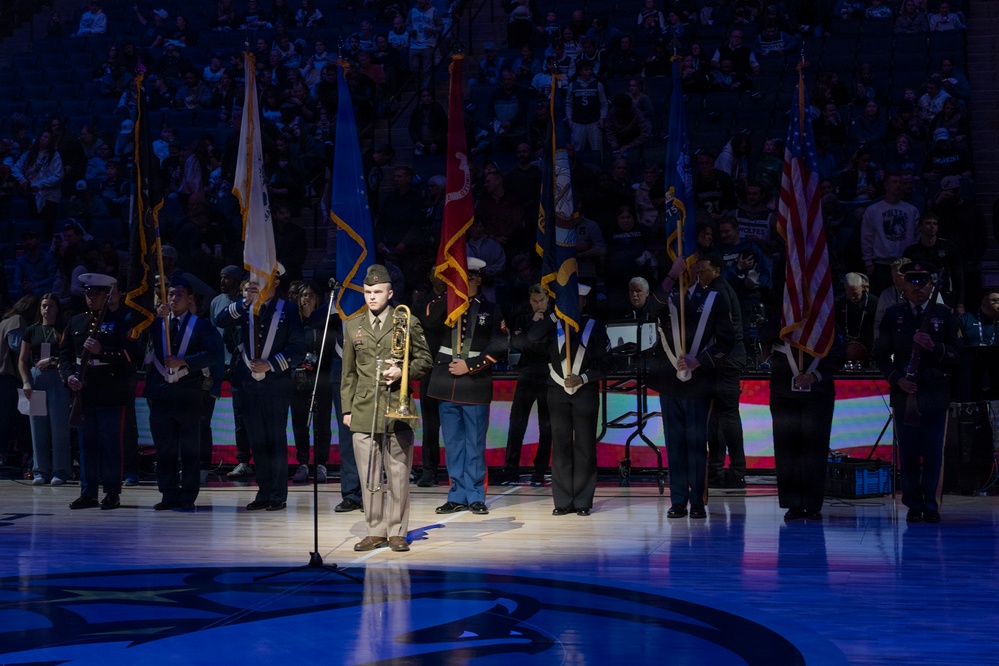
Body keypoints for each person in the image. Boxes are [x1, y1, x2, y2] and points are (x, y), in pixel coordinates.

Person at [342, 265, 432, 552]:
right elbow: (348, 373)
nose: (371, 297)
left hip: (397, 404)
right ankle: (375, 529)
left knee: (397, 473)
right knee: (368, 474)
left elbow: (425, 360)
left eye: (377, 292)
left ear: (390, 293)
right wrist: (347, 410)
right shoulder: (353, 325)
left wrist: (402, 370)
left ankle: (397, 531)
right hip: (364, 407)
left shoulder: (407, 321)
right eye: (368, 292)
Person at [873, 262, 960, 523]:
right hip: (905, 393)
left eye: (923, 282)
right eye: (912, 282)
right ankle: (913, 504)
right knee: (909, 452)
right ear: (904, 286)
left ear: (931, 286)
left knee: (933, 453)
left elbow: (958, 355)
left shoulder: (944, 315)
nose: (918, 288)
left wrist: (934, 346)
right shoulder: (893, 315)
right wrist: (897, 379)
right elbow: (880, 355)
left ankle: (931, 506)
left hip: (934, 393)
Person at [651, 257, 737, 519]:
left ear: (698, 269)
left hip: (699, 382)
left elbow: (727, 341)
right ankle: (678, 500)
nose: (687, 270)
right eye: (683, 266)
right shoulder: (667, 296)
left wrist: (699, 360)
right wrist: (668, 276)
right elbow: (648, 311)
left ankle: (697, 500)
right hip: (669, 380)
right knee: (674, 443)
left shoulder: (713, 298)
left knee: (697, 443)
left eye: (691, 266)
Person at [424, 257, 507, 515]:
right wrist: (450, 294)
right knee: (453, 443)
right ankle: (456, 494)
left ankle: (475, 495)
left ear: (478, 279)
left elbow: (500, 345)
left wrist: (470, 365)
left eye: (468, 278)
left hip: (474, 382)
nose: (464, 282)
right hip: (445, 382)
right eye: (458, 277)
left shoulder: (491, 309)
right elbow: (427, 319)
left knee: (474, 444)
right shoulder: (444, 306)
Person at [216, 271, 305, 511]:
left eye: (264, 277)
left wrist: (272, 364)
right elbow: (220, 320)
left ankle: (277, 494)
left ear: (276, 281)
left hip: (275, 383)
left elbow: (298, 349)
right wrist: (244, 301)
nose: (258, 282)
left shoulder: (287, 309)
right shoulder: (246, 307)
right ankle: (263, 491)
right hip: (248, 383)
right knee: (256, 440)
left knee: (274, 440)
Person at [526, 284, 611, 515]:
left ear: (583, 302)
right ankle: (562, 501)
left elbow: (606, 364)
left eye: (576, 301)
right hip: (557, 390)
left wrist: (583, 378)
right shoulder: (554, 326)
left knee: (584, 446)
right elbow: (531, 337)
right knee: (561, 445)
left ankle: (582, 501)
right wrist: (554, 315)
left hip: (585, 391)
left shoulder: (595, 327)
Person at [144, 278, 224, 511]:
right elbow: (136, 332)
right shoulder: (158, 323)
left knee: (189, 449)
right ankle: (168, 493)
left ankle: (187, 495)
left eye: (179, 294)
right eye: (170, 294)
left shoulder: (201, 325)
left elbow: (213, 354)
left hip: (188, 393)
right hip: (161, 394)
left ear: (190, 298)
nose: (174, 298)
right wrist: (153, 316)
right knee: (164, 448)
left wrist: (185, 361)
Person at [59, 273, 134, 510]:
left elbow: (132, 356)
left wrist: (104, 350)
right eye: (88, 293)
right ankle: (88, 492)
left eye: (97, 293)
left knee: (111, 446)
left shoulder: (123, 319)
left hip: (111, 390)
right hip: (85, 391)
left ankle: (112, 492)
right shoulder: (76, 322)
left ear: (108, 294)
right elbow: (65, 355)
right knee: (86, 445)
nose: (91, 297)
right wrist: (69, 376)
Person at [770, 329, 847, 521]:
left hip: (818, 394)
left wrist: (815, 375)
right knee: (786, 450)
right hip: (783, 392)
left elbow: (838, 355)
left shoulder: (826, 319)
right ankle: (793, 504)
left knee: (815, 451)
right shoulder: (781, 319)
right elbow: (764, 335)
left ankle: (813, 505)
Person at [496, 284, 553, 484]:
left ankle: (540, 469)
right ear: (530, 301)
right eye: (535, 301)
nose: (539, 305)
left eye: (542, 301)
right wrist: (532, 328)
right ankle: (511, 467)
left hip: (548, 376)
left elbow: (545, 350)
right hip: (526, 375)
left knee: (546, 425)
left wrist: (531, 338)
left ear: (548, 299)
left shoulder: (554, 320)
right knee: (517, 423)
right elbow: (518, 344)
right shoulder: (523, 319)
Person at [19, 294, 70, 485]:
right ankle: (40, 470)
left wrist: (52, 360)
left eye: (50, 306)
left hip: (57, 377)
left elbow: (69, 356)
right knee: (37, 427)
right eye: (43, 306)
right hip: (36, 378)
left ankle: (61, 470)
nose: (46, 309)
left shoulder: (62, 330)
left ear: (57, 309)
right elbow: (23, 360)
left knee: (59, 427)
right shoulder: (32, 331)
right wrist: (26, 382)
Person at [289, 282, 336, 485]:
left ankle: (321, 464)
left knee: (322, 424)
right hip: (299, 380)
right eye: (303, 296)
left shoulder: (325, 323)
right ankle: (303, 463)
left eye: (310, 295)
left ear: (317, 300)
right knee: (300, 424)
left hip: (322, 378)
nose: (306, 299)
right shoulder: (294, 323)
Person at [860, 172, 920, 294]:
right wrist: (868, 262)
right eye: (894, 182)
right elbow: (867, 237)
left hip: (905, 264)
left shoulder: (911, 210)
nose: (898, 185)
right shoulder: (873, 210)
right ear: (886, 185)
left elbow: (916, 238)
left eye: (900, 183)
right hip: (881, 265)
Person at [836, 272, 878, 365]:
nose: (852, 297)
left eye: (855, 293)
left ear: (862, 287)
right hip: (846, 346)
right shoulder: (839, 303)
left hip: (868, 345)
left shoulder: (874, 303)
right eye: (849, 293)